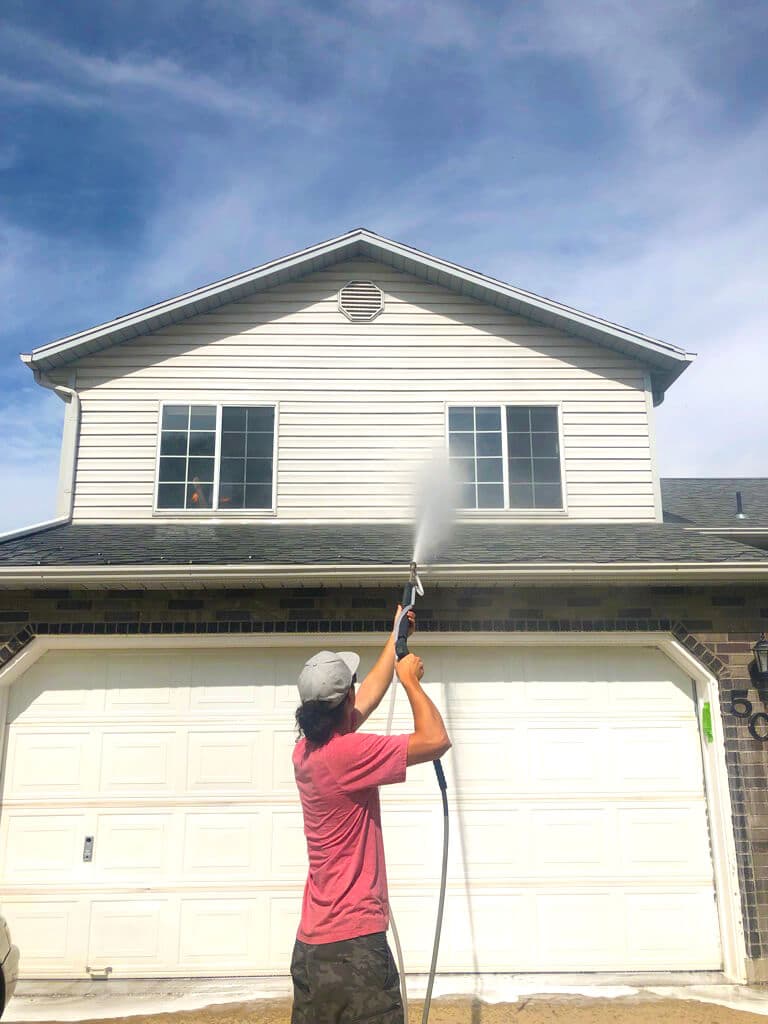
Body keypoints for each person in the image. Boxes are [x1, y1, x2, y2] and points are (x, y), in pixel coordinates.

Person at [290, 609, 451, 1024]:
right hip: (354, 950)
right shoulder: (348, 754)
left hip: (311, 948)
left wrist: (394, 638)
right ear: (343, 701)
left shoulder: (307, 751)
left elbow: (366, 697)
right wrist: (411, 680)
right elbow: (435, 740)